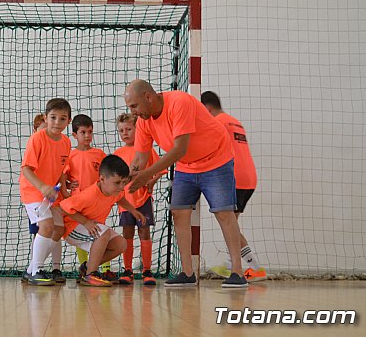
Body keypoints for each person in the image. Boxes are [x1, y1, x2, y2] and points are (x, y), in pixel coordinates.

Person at [124, 79, 248, 288]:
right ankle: (187, 273)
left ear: (148, 96)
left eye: (134, 105)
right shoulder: (144, 122)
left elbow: (179, 148)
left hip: (216, 160)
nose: (132, 111)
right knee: (178, 212)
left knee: (224, 213)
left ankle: (238, 272)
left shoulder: (179, 102)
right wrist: (126, 180)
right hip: (186, 166)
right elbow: (138, 160)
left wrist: (147, 175)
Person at [201, 91, 265, 281]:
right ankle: (231, 264)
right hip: (249, 177)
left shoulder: (217, 122)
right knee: (231, 224)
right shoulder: (234, 121)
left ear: (207, 108)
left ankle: (255, 267)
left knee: (229, 225)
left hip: (234, 176)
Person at [55, 155, 145, 287]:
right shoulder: (89, 195)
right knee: (104, 232)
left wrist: (133, 210)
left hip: (92, 227)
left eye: (124, 182)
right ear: (102, 179)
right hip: (73, 228)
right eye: (117, 183)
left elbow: (120, 198)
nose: (121, 187)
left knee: (121, 244)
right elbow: (65, 207)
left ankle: (87, 268)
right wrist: (85, 222)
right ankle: (90, 275)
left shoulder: (114, 191)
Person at [20, 98, 71, 285]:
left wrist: (63, 188)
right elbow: (26, 169)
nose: (57, 122)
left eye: (62, 118)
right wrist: (42, 187)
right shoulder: (37, 139)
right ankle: (37, 270)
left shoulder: (66, 142)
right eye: (53, 117)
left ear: (69, 121)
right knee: (47, 226)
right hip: (32, 190)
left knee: (59, 229)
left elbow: (60, 170)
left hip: (51, 193)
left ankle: (30, 270)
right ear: (45, 118)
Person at [113, 113, 165, 285]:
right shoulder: (118, 153)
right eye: (121, 130)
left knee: (144, 232)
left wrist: (151, 182)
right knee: (127, 233)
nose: (125, 133)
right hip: (126, 202)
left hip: (143, 199)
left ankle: (147, 271)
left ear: (138, 129)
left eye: (128, 129)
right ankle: (127, 270)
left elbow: (160, 170)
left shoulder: (146, 149)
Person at [65, 114, 114, 282]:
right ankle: (85, 266)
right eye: (83, 132)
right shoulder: (70, 156)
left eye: (90, 132)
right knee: (86, 235)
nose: (87, 136)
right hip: (79, 202)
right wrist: (67, 185)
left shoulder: (99, 154)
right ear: (74, 135)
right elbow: (63, 178)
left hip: (97, 201)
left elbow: (107, 176)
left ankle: (105, 269)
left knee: (101, 231)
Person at [27, 114, 48, 239]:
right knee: (39, 230)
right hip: (34, 195)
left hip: (50, 195)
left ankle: (56, 259)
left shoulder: (55, 145)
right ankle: (36, 259)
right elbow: (27, 171)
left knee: (55, 229)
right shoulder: (34, 145)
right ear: (35, 130)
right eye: (42, 130)